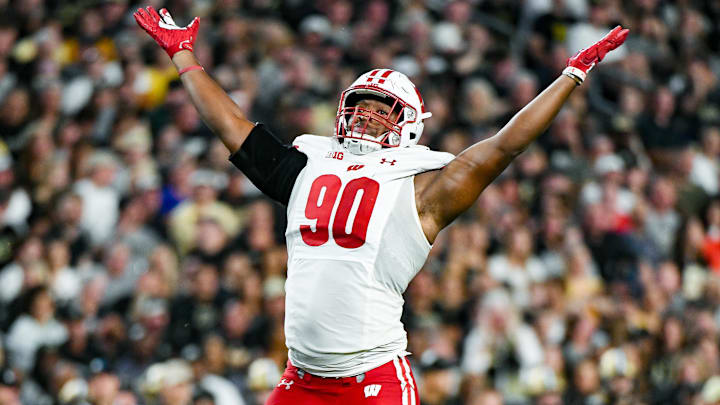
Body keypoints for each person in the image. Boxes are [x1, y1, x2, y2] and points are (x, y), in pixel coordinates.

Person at [134, 6, 628, 405]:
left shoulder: (422, 188)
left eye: (381, 109)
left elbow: (503, 146)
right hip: (301, 377)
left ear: (409, 124)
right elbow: (234, 129)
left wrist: (571, 74)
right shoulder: (309, 165)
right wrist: (184, 58)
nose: (366, 116)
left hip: (372, 382)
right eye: (361, 105)